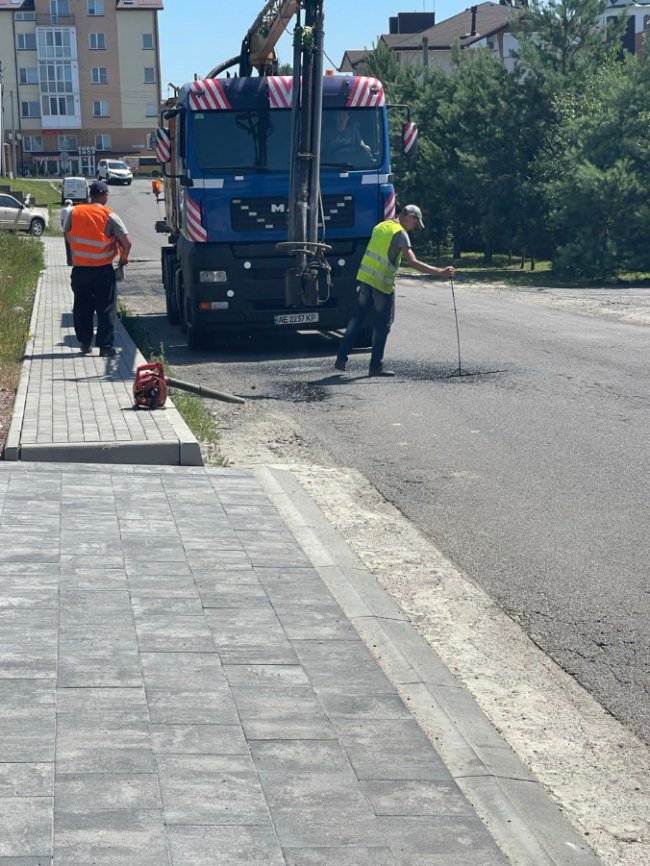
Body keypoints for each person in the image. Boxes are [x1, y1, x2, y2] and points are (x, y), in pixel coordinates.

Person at [335, 204, 455, 377]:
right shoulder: (401, 234)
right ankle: (375, 366)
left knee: (357, 319)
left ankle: (341, 357)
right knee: (382, 325)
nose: (415, 227)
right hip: (382, 285)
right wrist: (440, 272)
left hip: (365, 280)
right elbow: (413, 262)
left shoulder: (381, 226)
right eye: (416, 222)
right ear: (409, 216)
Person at [63, 179, 132, 357]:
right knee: (106, 308)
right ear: (105, 195)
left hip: (80, 270)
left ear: (90, 195)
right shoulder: (109, 215)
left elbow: (67, 234)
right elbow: (127, 242)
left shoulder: (74, 212)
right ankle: (105, 347)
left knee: (82, 307)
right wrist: (123, 259)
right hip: (103, 271)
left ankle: (85, 344)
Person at [60, 199, 74, 266]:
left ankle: (69, 261)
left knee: (67, 246)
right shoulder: (74, 209)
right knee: (74, 245)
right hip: (74, 230)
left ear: (65, 204)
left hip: (66, 230)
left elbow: (62, 222)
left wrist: (64, 229)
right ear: (71, 204)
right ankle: (74, 260)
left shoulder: (63, 210)